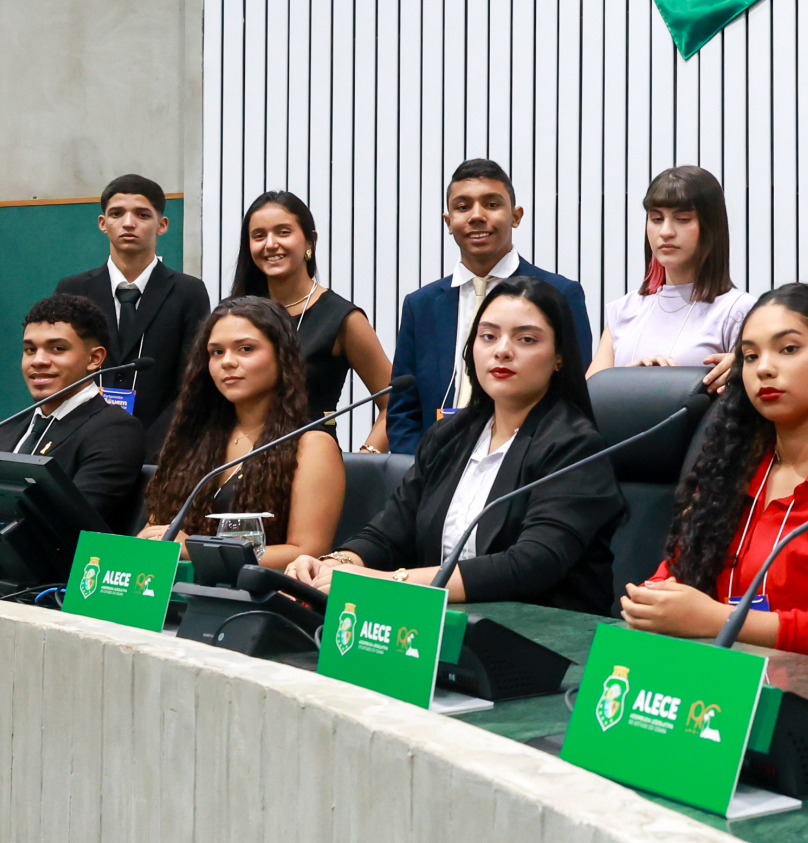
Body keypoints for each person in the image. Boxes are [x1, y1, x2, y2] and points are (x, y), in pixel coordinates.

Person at [291, 277, 623, 613]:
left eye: (526, 339)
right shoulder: (449, 435)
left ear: (559, 357)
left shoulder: (576, 446)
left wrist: (386, 582)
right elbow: (392, 530)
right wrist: (338, 562)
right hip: (440, 628)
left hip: (543, 638)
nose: (502, 350)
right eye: (488, 336)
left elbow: (529, 564)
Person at [620, 284, 808, 654]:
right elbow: (678, 572)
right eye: (749, 356)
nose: (764, 368)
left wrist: (718, 620)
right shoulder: (731, 469)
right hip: (716, 686)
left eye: (788, 349)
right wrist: (652, 599)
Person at [385, 160, 595, 453]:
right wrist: (419, 472)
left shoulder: (560, 293)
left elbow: (574, 395)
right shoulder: (421, 305)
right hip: (435, 467)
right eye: (462, 207)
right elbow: (402, 410)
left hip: (527, 461)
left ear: (516, 216)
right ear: (448, 222)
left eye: (492, 204)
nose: (476, 216)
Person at [139, 296, 345, 573]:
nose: (227, 362)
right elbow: (159, 525)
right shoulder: (193, 436)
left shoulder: (311, 444)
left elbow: (307, 551)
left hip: (264, 599)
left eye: (245, 349)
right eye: (216, 352)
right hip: (176, 589)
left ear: (281, 355)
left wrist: (197, 548)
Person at [55, 173, 213, 457]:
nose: (128, 223)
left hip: (161, 450)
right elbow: (63, 373)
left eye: (142, 214)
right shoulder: (73, 289)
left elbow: (192, 382)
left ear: (162, 225)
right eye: (117, 213)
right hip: (83, 444)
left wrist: (150, 446)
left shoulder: (189, 292)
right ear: (103, 223)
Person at [227, 189, 394, 451]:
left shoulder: (342, 318)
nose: (270, 244)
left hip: (310, 468)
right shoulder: (234, 315)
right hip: (233, 464)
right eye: (259, 236)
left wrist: (366, 458)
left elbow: (393, 399)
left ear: (309, 241)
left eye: (283, 232)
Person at [0, 295, 148, 534]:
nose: (38, 361)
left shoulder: (114, 431)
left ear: (95, 359)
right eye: (30, 350)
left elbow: (67, 522)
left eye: (57, 349)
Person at [587, 165, 749, 391]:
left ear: (710, 227)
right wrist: (632, 379)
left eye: (682, 219)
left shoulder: (737, 310)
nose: (665, 232)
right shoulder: (624, 310)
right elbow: (588, 402)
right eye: (655, 219)